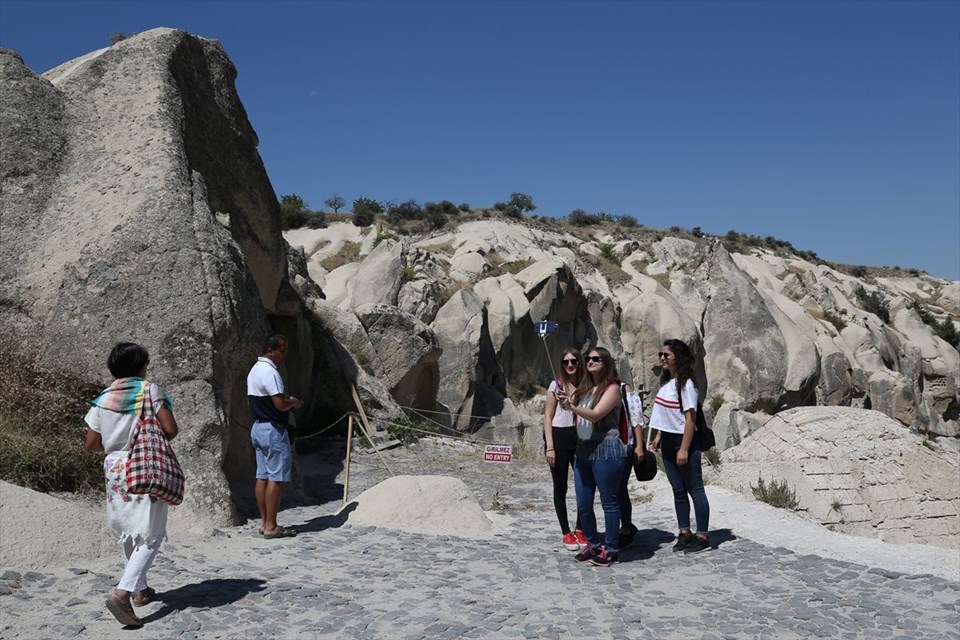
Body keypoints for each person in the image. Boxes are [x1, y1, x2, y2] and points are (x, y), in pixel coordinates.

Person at [84, 342, 179, 628]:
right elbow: (171, 429)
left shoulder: (102, 399)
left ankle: (140, 591)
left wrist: (117, 448)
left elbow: (92, 444)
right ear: (141, 366)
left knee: (128, 530)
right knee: (152, 534)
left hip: (114, 468)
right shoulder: (149, 391)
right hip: (144, 464)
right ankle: (122, 593)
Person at [558, 346, 625, 567]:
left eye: (596, 358)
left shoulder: (612, 389)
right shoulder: (586, 388)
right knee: (583, 502)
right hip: (583, 449)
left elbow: (596, 415)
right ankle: (593, 544)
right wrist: (567, 403)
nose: (590, 361)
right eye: (588, 359)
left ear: (606, 362)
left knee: (609, 502)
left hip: (606, 448)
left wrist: (572, 407)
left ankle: (612, 549)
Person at [650, 339, 711, 554]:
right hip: (667, 440)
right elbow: (667, 413)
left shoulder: (686, 385)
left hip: (682, 441)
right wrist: (658, 434)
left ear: (678, 357)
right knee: (678, 490)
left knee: (695, 489)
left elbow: (690, 420)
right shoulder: (668, 383)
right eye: (661, 355)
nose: (662, 358)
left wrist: (684, 449)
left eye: (666, 355)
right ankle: (684, 531)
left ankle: (702, 535)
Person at [248, 333, 303, 539]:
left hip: (258, 427)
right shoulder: (271, 372)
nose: (284, 355)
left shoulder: (254, 370)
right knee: (276, 478)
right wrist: (294, 402)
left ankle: (264, 523)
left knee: (262, 476)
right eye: (282, 351)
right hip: (272, 429)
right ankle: (271, 526)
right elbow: (279, 404)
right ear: (270, 351)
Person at [543, 348, 586, 551]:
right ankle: (566, 532)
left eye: (574, 361)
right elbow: (547, 417)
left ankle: (580, 528)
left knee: (584, 485)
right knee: (560, 487)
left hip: (579, 436)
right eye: (566, 362)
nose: (570, 365)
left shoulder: (586, 384)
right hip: (559, 437)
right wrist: (550, 447)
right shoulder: (556, 385)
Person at [616, 382, 646, 549]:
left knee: (619, 488)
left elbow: (636, 418)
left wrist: (639, 445)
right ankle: (624, 526)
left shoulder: (623, 388)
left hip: (625, 445)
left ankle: (626, 528)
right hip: (604, 448)